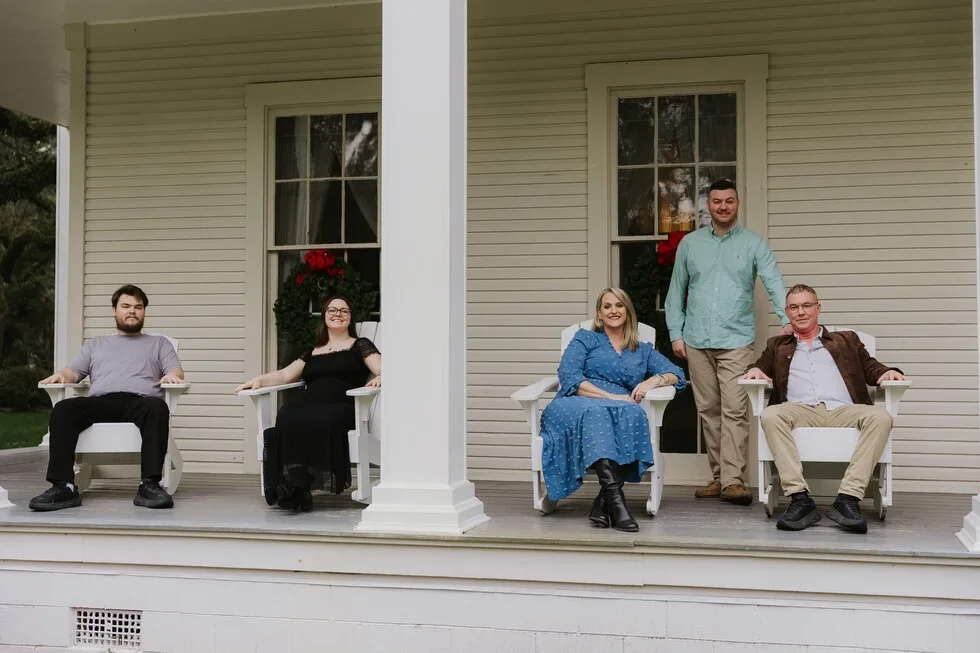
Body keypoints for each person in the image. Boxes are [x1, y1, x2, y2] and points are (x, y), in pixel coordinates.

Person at [664, 179, 790, 506]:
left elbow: (774, 281)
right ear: (708, 206)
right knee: (708, 410)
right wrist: (676, 333)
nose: (723, 207)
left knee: (734, 411)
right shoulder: (691, 244)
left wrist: (788, 319)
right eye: (717, 201)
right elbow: (676, 291)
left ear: (737, 204)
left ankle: (734, 481)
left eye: (729, 201)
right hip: (696, 340)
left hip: (736, 340)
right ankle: (719, 477)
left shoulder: (753, 244)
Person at [741, 284, 906, 533]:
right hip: (799, 411)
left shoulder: (846, 340)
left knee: (881, 417)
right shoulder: (777, 345)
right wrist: (754, 371)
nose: (801, 312)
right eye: (794, 307)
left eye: (807, 305)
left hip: (844, 410)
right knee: (771, 414)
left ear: (818, 308)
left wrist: (887, 373)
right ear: (787, 312)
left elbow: (871, 367)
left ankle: (848, 499)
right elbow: (760, 367)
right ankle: (800, 499)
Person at [540, 288, 685, 532]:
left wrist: (651, 381)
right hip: (575, 403)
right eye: (607, 306)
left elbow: (677, 374)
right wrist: (612, 396)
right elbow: (569, 376)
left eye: (619, 305)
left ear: (627, 311)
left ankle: (605, 500)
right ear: (599, 313)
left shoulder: (642, 349)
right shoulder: (585, 339)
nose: (613, 311)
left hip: (617, 408)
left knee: (633, 413)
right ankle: (618, 506)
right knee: (602, 412)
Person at [31, 284, 185, 512]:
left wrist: (172, 376)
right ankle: (64, 487)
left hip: (141, 402)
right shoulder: (96, 344)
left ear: (144, 311)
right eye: (126, 306)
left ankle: (149, 485)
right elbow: (73, 372)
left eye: (138, 307)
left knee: (158, 406)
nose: (132, 311)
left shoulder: (158, 343)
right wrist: (60, 376)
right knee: (64, 408)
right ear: (114, 310)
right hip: (100, 402)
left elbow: (175, 371)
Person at [235, 296, 381, 511]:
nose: (337, 314)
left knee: (322, 418)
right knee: (287, 413)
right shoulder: (312, 351)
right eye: (332, 310)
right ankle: (298, 488)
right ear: (324, 316)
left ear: (351, 318)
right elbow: (285, 375)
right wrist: (259, 380)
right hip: (311, 405)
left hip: (341, 407)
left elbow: (383, 367)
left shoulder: (360, 345)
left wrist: (381, 377)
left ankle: (298, 489)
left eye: (344, 310)